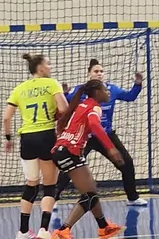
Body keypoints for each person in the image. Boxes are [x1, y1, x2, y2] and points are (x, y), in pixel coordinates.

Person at [55, 59, 147, 206]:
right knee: (70, 167)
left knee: (127, 163)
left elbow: (130, 96)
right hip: (85, 137)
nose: (99, 74)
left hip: (105, 134)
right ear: (89, 74)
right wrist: (65, 93)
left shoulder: (111, 90)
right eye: (96, 71)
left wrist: (137, 84)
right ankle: (54, 198)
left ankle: (132, 197)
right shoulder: (81, 91)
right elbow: (67, 104)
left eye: (101, 71)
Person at [50, 79, 124, 239]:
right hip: (69, 151)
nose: (108, 92)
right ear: (97, 93)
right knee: (89, 194)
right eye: (105, 89)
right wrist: (111, 148)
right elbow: (94, 125)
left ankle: (104, 227)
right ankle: (62, 231)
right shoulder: (94, 107)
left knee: (91, 190)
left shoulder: (83, 104)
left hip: (63, 150)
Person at [3, 53, 68, 239]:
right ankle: (43, 230)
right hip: (46, 135)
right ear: (40, 68)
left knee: (31, 183)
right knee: (49, 185)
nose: (51, 67)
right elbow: (63, 109)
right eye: (48, 64)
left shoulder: (19, 88)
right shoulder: (52, 84)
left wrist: (8, 138)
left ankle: (23, 232)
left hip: (27, 138)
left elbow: (6, 117)